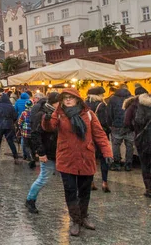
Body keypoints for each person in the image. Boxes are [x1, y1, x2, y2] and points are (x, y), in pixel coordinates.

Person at [42, 88, 113, 237]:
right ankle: (75, 219)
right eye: (65, 98)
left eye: (71, 97)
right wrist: (47, 118)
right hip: (66, 158)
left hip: (86, 159)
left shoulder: (89, 114)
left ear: (77, 99)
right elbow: (49, 127)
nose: (68, 100)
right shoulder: (59, 114)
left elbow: (100, 135)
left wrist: (107, 152)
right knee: (70, 191)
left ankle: (83, 216)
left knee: (85, 191)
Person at [25, 92, 59, 214]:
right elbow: (35, 134)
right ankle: (30, 199)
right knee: (43, 178)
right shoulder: (42, 114)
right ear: (55, 102)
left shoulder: (58, 114)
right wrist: (41, 152)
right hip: (48, 151)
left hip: (58, 152)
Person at [124, 85, 151, 197]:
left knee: (145, 164)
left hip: (141, 140)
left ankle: (149, 189)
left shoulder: (134, 105)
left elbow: (126, 122)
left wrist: (135, 129)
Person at [85, 87, 112, 192]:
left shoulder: (84, 105)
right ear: (99, 95)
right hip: (100, 134)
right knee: (104, 159)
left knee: (91, 159)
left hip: (88, 136)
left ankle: (91, 181)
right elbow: (105, 121)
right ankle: (104, 182)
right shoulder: (102, 106)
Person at [107, 85, 134, 171]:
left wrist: (110, 124)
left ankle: (117, 163)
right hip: (129, 126)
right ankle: (128, 164)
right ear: (127, 89)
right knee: (129, 145)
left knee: (116, 145)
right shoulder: (132, 98)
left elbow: (109, 113)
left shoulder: (112, 99)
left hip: (116, 126)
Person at [0, 93, 20, 164]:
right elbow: (15, 116)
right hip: (9, 126)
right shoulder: (10, 107)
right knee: (10, 141)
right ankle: (16, 157)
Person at [17, 99, 35, 166]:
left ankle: (29, 157)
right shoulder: (34, 113)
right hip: (32, 132)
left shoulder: (24, 113)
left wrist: (20, 127)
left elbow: (20, 122)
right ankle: (33, 156)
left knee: (26, 145)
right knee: (32, 145)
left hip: (25, 132)